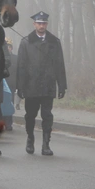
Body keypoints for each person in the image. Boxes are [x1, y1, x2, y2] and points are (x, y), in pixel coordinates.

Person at [16, 11, 67, 156]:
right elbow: (21, 66)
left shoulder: (54, 42)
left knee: (47, 115)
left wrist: (62, 85)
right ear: (34, 24)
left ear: (47, 24)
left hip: (48, 85)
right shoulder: (26, 42)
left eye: (44, 23)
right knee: (30, 115)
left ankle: (46, 144)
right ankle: (30, 139)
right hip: (31, 86)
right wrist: (20, 86)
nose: (41, 25)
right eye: (39, 23)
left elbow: (59, 64)